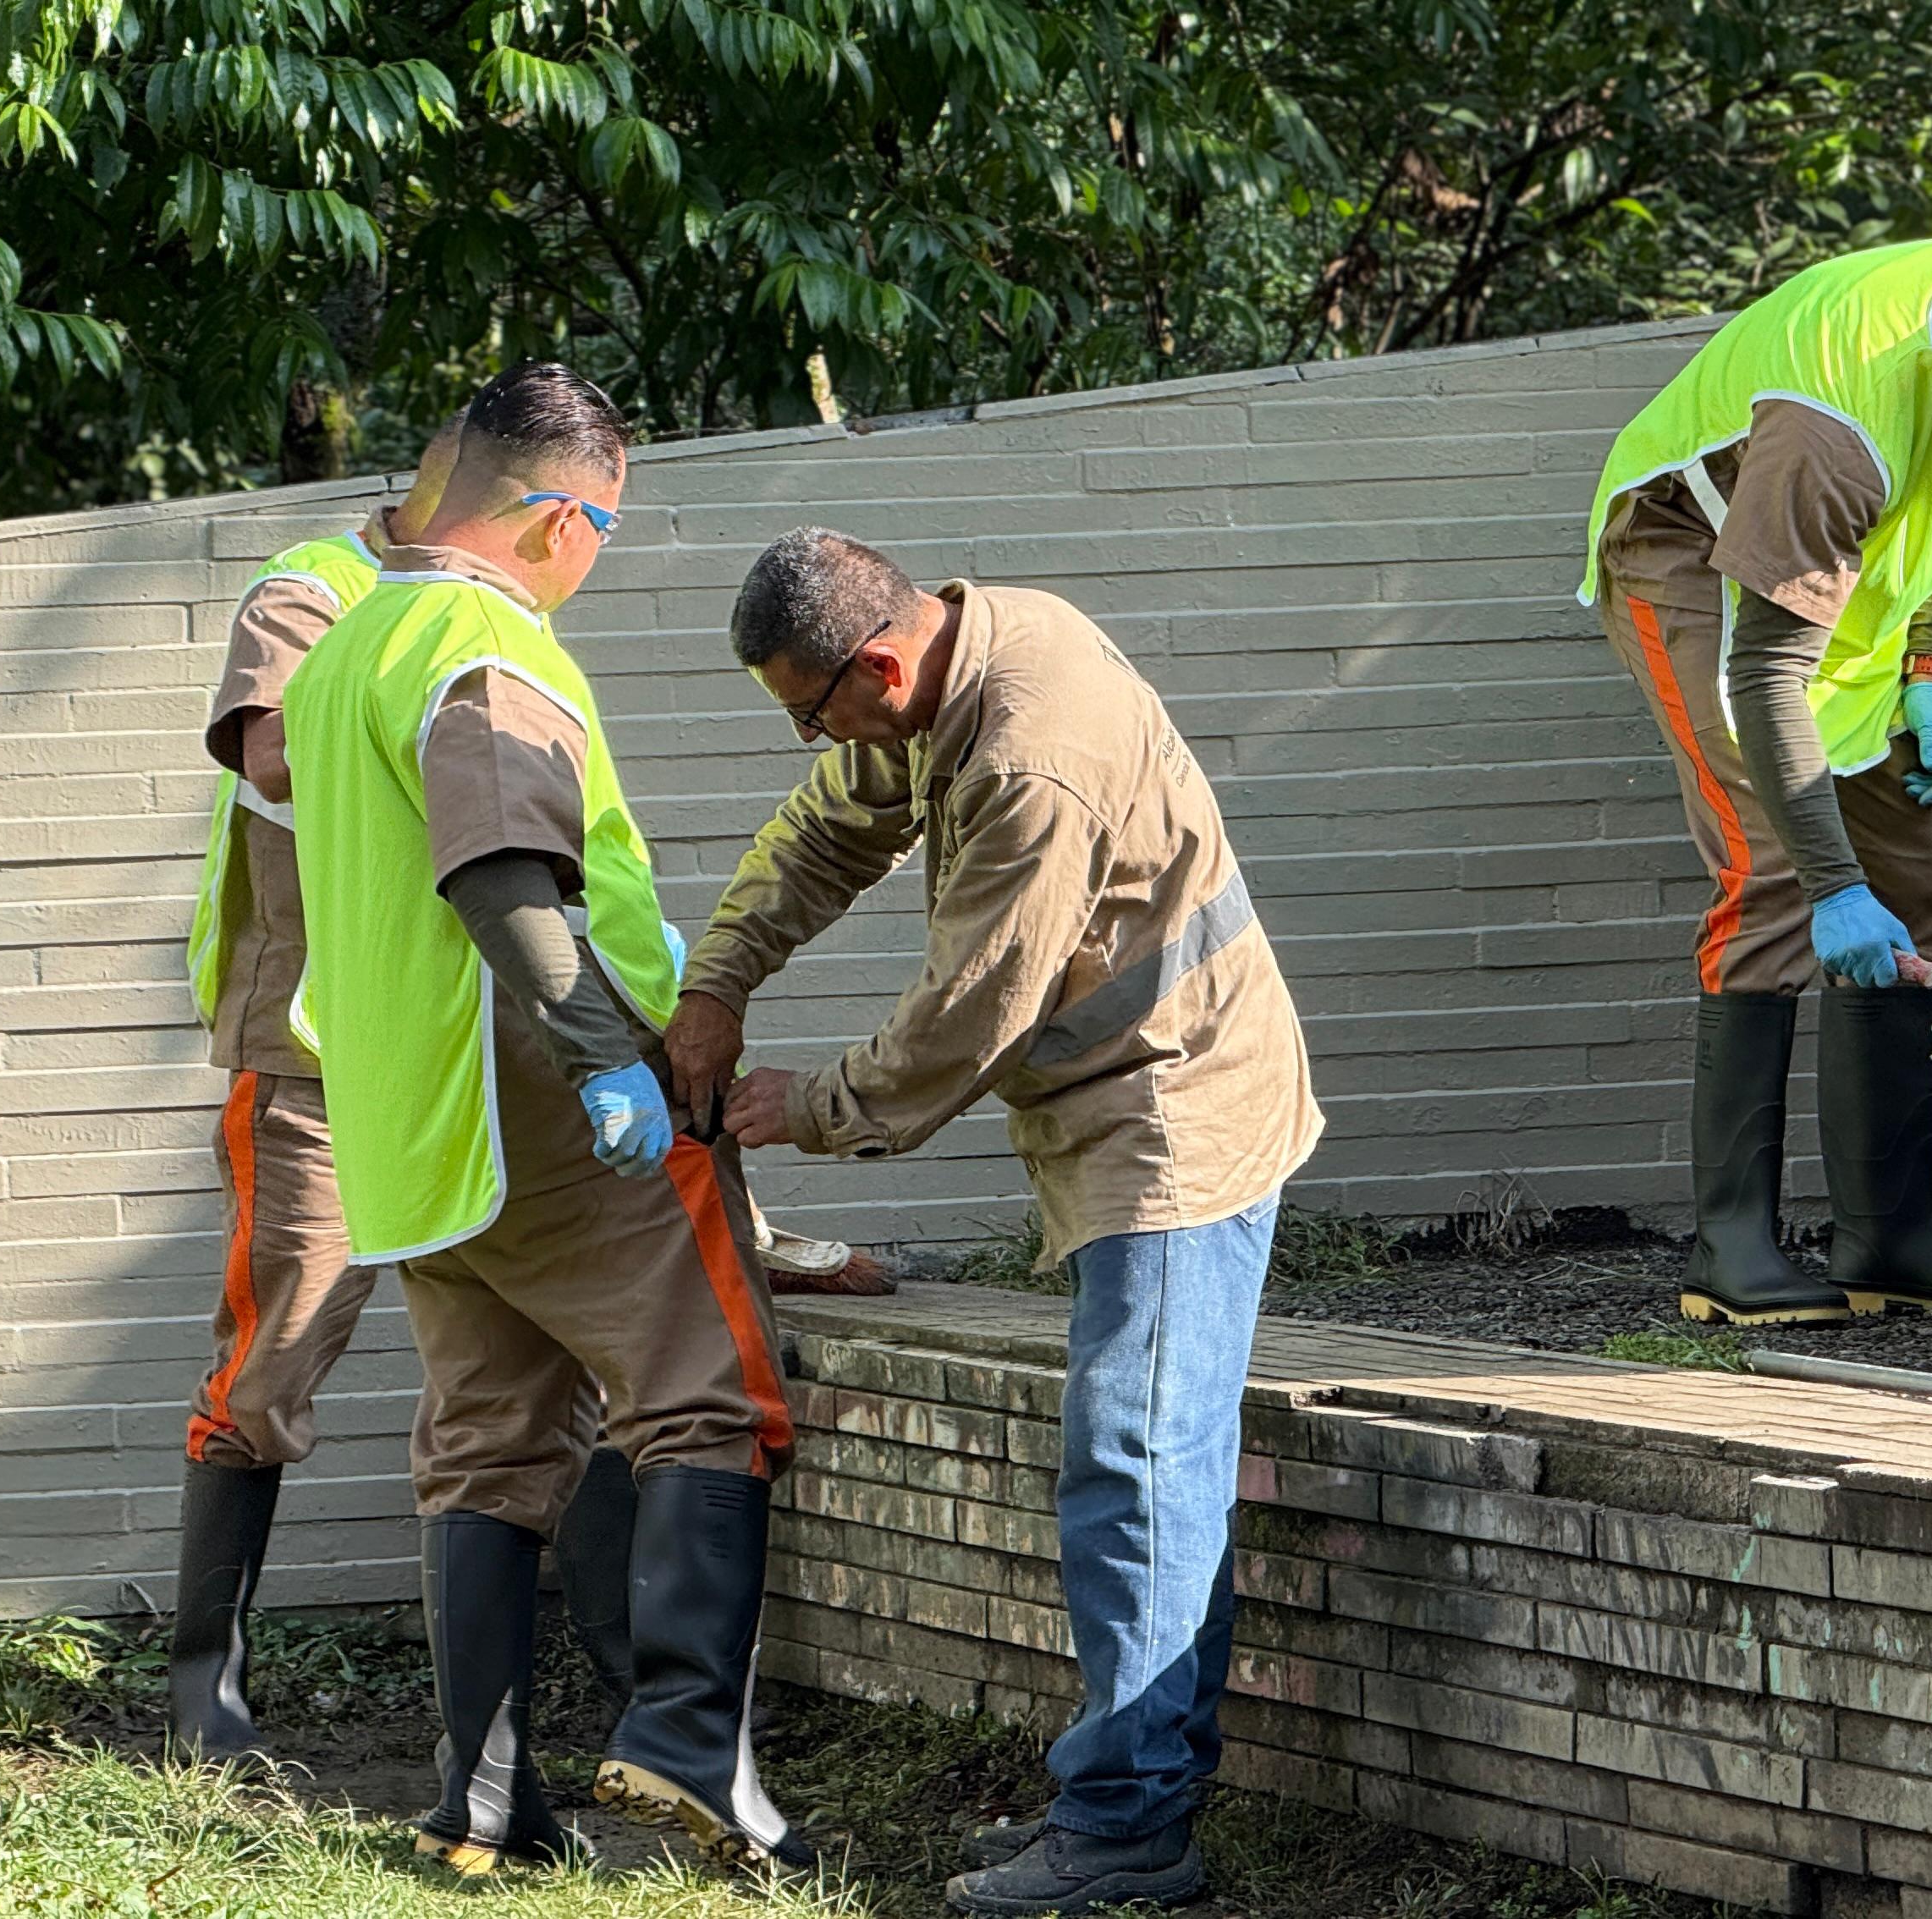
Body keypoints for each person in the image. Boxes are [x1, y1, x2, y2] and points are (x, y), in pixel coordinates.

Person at [665, 529, 1321, 1917]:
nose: (811, 738)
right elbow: (834, 822)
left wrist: (812, 1103)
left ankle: (1130, 1834)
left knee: (1135, 1463)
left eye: (810, 708)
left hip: (1175, 1110)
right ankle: (1138, 1797)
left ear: (881, 665)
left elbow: (974, 1009)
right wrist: (719, 978)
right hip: (1119, 1095)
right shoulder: (950, 670)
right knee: (1161, 1463)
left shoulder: (1031, 755)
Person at [283, 363, 803, 1876]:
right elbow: (502, 867)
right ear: (556, 516)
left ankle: (484, 1808)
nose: (599, 560)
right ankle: (688, 1747)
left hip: (420, 1124)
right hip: (556, 1104)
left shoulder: (348, 644)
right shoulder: (475, 638)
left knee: (487, 1448)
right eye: (607, 529)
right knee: (708, 1392)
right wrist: (606, 1059)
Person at [166, 421, 648, 1763]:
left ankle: (616, 1697)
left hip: (478, 1062)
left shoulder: (490, 620)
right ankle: (207, 1694)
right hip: (316, 1056)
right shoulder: (315, 591)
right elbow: (273, 760)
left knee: (576, 1375)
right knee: (277, 1353)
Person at [1581, 240, 1932, 1326]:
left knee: (1922, 889)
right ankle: (1731, 1248)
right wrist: (1834, 882)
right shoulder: (1833, 427)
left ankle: (1887, 1236)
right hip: (1691, 559)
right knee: (1776, 878)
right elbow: (1767, 669)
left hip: (1853, 582)